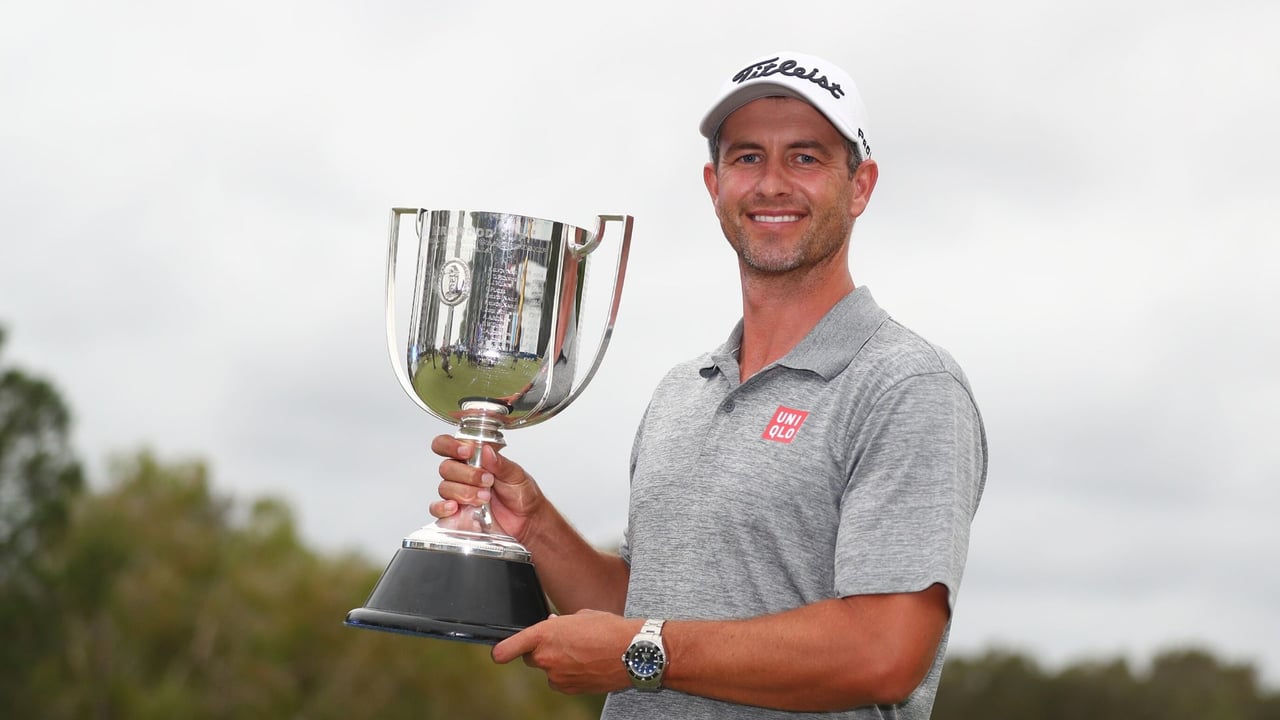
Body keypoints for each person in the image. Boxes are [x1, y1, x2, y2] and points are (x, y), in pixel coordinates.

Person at [429, 50, 988, 719]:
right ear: (714, 184)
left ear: (860, 185)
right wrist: (536, 527)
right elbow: (640, 613)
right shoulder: (681, 390)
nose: (772, 183)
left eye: (805, 158)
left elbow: (885, 653)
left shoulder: (907, 385)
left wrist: (642, 648)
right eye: (747, 157)